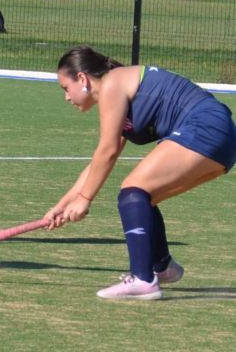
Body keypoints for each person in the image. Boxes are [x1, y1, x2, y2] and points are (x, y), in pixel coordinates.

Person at [43, 46, 236, 300]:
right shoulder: (119, 89)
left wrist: (85, 200)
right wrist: (64, 203)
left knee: (133, 191)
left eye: (65, 88)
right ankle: (161, 266)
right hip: (222, 137)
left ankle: (143, 279)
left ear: (82, 78)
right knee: (143, 197)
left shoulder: (112, 83)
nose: (66, 97)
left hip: (206, 127)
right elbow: (99, 161)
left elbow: (108, 151)